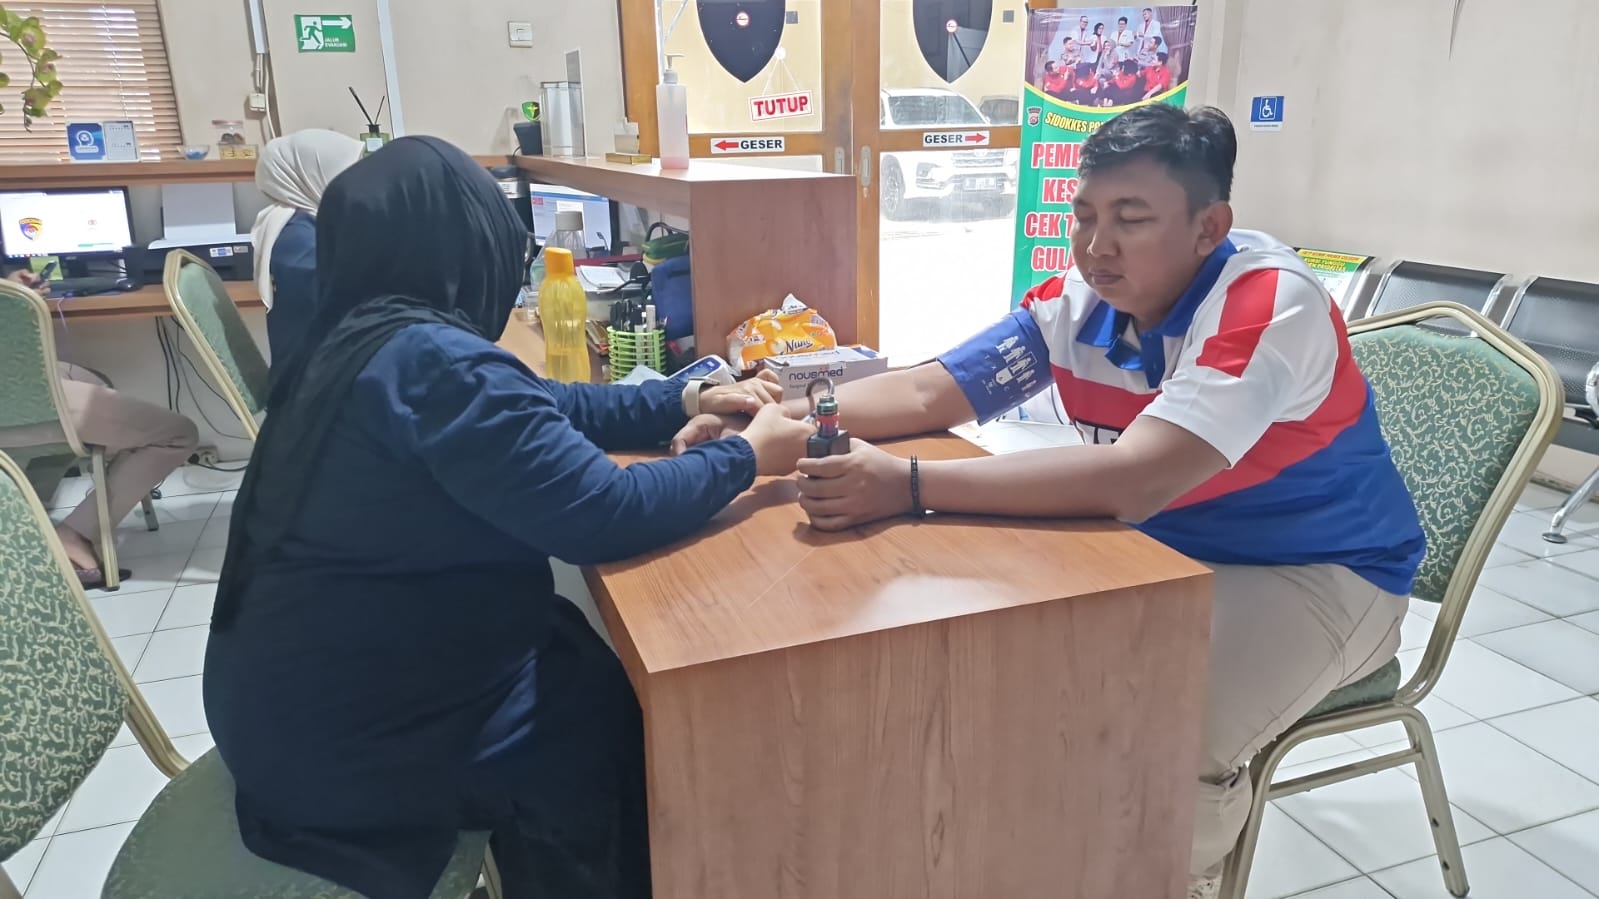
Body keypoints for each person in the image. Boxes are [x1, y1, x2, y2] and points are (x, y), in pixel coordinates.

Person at [785, 106, 1423, 899]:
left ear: (1207, 227)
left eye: (1131, 218)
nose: (1096, 245)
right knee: (1008, 663)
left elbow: (1133, 480)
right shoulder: (1079, 301)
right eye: (1083, 215)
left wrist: (906, 484)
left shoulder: (1267, 304)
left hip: (1320, 571)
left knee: (1174, 726)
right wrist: (775, 418)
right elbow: (927, 391)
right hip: (1157, 548)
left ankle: (1175, 878)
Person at [203, 136, 816, 899]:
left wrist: (685, 396)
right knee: (598, 718)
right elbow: (605, 511)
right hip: (354, 752)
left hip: (290, 713)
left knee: (573, 647)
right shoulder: (434, 362)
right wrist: (747, 456)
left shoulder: (355, 334)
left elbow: (545, 401)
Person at [0, 270, 200, 589]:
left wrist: (11, 290)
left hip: (19, 386)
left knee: (96, 382)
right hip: (15, 403)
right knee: (177, 434)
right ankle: (73, 535)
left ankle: (34, 521)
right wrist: (13, 298)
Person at [250, 128, 363, 368]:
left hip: (329, 363)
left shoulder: (312, 222)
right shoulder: (297, 240)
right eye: (346, 175)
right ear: (312, 176)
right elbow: (350, 302)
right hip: (316, 378)